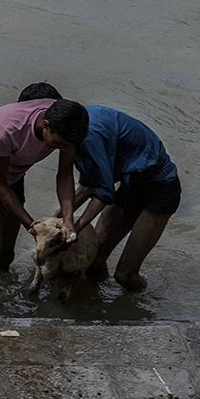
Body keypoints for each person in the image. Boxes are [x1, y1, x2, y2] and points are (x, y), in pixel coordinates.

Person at [0, 96, 90, 306]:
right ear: (46, 125)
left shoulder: (67, 126)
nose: (61, 148)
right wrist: (33, 226)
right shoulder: (7, 129)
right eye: (58, 144)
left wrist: (69, 220)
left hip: (13, 175)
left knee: (5, 254)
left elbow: (64, 176)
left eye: (67, 146)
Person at [73, 105, 181, 290]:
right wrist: (57, 219)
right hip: (131, 185)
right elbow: (90, 184)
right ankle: (99, 307)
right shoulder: (77, 123)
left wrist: (74, 227)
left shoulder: (90, 134)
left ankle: (145, 308)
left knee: (125, 275)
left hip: (160, 189)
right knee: (94, 262)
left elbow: (103, 190)